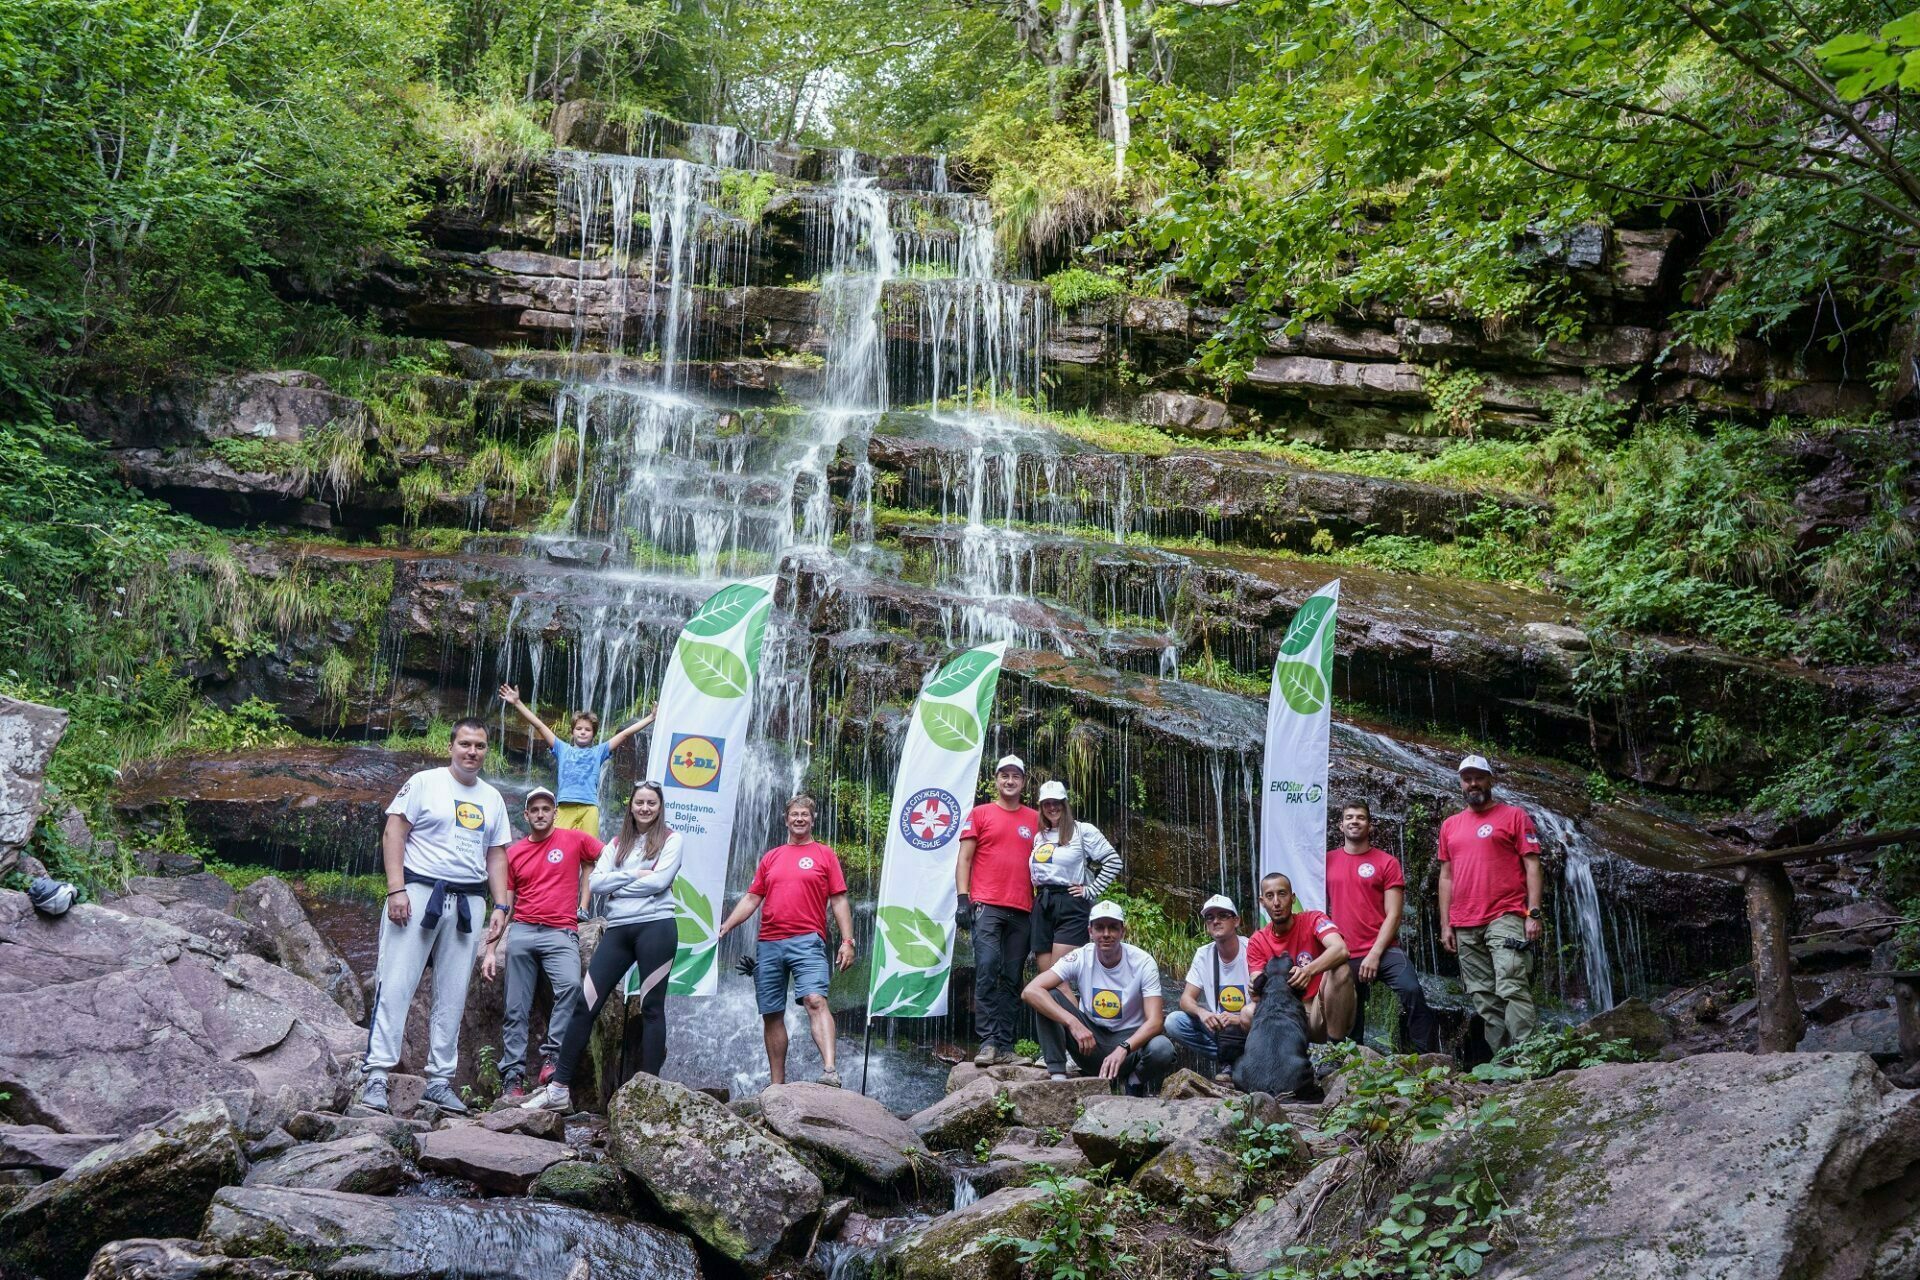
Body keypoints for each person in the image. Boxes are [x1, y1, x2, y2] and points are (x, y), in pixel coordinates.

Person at [361, 718, 511, 1115]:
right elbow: (394, 832)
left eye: (480, 745)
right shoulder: (424, 782)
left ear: (486, 750)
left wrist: (500, 905)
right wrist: (396, 889)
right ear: (451, 746)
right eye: (465, 743)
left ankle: (440, 1080)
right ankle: (377, 1073)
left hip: (468, 902)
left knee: (453, 992)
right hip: (418, 893)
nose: (472, 752)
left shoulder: (493, 798)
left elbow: (497, 855)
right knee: (395, 982)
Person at [521, 781, 683, 1111]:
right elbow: (595, 882)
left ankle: (648, 1095)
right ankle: (559, 1089)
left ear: (659, 806)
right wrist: (637, 876)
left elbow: (661, 881)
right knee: (585, 1003)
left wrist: (619, 882)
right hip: (619, 930)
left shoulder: (672, 839)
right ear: (631, 806)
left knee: (652, 1008)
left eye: (652, 803)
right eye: (640, 802)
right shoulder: (615, 842)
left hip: (657, 927)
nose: (645, 808)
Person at [716, 795, 856, 1087]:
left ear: (813, 819)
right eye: (795, 814)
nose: (800, 818)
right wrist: (726, 926)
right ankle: (777, 1086)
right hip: (769, 942)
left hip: (808, 940)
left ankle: (830, 1072)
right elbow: (752, 898)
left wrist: (847, 941)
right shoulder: (771, 857)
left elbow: (839, 899)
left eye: (805, 814)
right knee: (771, 1013)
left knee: (815, 1000)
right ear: (786, 819)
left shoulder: (824, 854)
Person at [481, 787, 601, 1099]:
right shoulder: (514, 852)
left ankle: (552, 1056)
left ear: (554, 812)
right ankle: (513, 1076)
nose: (540, 814)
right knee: (516, 1007)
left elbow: (610, 856)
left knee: (571, 988)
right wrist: (491, 949)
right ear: (526, 815)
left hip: (560, 931)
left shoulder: (574, 839)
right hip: (522, 930)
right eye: (534, 809)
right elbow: (504, 903)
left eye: (546, 809)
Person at [1438, 754, 1544, 1054]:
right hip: (1464, 923)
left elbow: (1533, 865)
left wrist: (1533, 913)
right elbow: (1446, 877)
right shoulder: (1450, 826)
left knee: (1511, 986)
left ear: (1490, 780)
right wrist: (1446, 924)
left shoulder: (1513, 816)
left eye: (1478, 777)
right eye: (1467, 778)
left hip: (1506, 915)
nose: (1473, 783)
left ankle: (1530, 1062)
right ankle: (1504, 1064)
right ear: (1461, 783)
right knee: (1484, 998)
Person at [1021, 900, 1177, 1095]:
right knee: (1048, 995)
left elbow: (1155, 1021)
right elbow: (1030, 991)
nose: (1106, 934)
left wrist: (1124, 1048)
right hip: (1089, 1043)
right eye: (1099, 927)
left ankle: (1132, 1083)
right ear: (1090, 932)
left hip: (1130, 1047)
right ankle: (1058, 1078)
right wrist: (1072, 1022)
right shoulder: (1080, 957)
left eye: (1112, 927)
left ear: (1123, 931)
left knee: (1162, 1048)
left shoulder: (1143, 962)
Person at [1028, 779, 1123, 1080]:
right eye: (1047, 803)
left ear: (1065, 803)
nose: (1052, 807)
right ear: (1041, 806)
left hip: (1070, 904)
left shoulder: (1083, 831)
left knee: (1062, 978)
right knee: (1048, 980)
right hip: (1042, 903)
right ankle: (1059, 1046)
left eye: (1057, 802)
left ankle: (1075, 1048)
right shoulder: (1039, 836)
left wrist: (1091, 889)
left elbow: (1113, 860)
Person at [1327, 802, 1439, 1053]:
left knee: (1412, 991)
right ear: (1340, 825)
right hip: (1344, 952)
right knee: (1349, 1011)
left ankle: (1428, 1058)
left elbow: (1394, 913)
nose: (1355, 821)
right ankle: (1348, 1063)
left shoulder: (1386, 862)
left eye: (1361, 818)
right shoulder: (1326, 861)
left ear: (1370, 825)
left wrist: (1375, 954)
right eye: (1349, 817)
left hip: (1384, 949)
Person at [956, 755, 1039, 1067]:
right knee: (988, 966)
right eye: (1004, 775)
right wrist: (963, 899)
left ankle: (1005, 1044)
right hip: (987, 905)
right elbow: (964, 858)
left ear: (1023, 782)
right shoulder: (980, 814)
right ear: (995, 780)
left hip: (1023, 908)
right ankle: (988, 1042)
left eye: (1015, 776)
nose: (1009, 781)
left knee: (1012, 977)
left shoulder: (1035, 819)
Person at [498, 684, 655, 838]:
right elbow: (539, 726)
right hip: (565, 807)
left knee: (590, 852)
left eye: (587, 730)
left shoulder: (598, 751)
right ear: (572, 731)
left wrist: (650, 718)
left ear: (593, 734)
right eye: (579, 729)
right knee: (558, 847)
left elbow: (624, 735)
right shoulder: (562, 748)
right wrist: (517, 703)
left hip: (589, 807)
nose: (583, 732)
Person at [1245, 871, 1356, 1044]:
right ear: (1262, 902)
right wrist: (1255, 986)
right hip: (1285, 1017)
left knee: (1341, 969)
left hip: (1322, 1011)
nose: (1276, 902)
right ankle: (1282, 1060)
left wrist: (1308, 971)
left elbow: (1341, 950)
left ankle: (1336, 1051)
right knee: (1246, 1014)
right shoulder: (1257, 941)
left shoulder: (1314, 919)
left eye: (1282, 894)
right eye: (1269, 896)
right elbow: (1257, 988)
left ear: (1293, 898)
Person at [1165, 894, 1250, 1082]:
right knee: (1174, 1022)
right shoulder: (1204, 955)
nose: (1216, 921)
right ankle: (1230, 1060)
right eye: (1210, 917)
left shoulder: (1252, 949)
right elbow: (1186, 999)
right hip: (1221, 1030)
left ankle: (1249, 1060)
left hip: (1251, 1026)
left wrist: (1238, 1019)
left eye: (1222, 915)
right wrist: (1203, 1013)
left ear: (1236, 921)